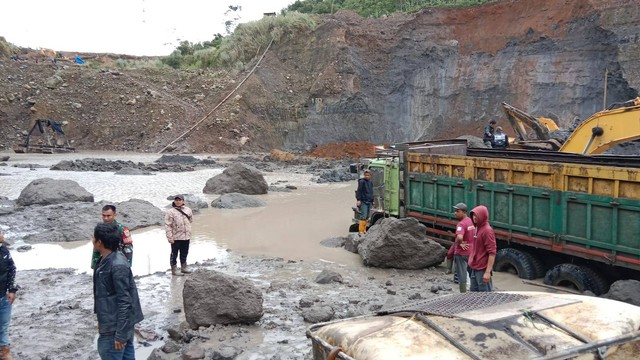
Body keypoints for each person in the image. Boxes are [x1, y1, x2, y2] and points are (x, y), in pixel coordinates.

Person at [92, 222, 143, 360]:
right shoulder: (105, 260)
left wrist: (120, 334)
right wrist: (102, 321)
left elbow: (125, 300)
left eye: (94, 238)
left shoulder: (117, 265)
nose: (92, 241)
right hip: (114, 323)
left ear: (100, 242)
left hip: (116, 328)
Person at [91, 205, 133, 270]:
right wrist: (94, 265)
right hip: (103, 261)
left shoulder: (122, 229)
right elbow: (96, 247)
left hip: (118, 261)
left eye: (108, 216)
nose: (106, 218)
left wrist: (127, 266)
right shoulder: (99, 229)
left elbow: (128, 249)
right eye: (103, 215)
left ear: (115, 215)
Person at [468, 205, 497, 292]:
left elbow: (492, 253)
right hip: (474, 267)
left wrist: (487, 272)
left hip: (482, 269)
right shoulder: (477, 228)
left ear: (482, 216)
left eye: (477, 215)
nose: (474, 218)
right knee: (474, 294)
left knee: (485, 296)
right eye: (473, 215)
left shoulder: (487, 231)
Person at [165, 195, 194, 276]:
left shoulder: (188, 210)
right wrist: (170, 237)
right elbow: (168, 225)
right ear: (174, 201)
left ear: (183, 201)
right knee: (174, 253)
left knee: (184, 252)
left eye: (180, 200)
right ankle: (174, 269)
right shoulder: (170, 212)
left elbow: (191, 220)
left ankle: (184, 267)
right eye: (176, 200)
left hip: (186, 236)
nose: (178, 201)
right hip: (176, 237)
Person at [0, 231, 17, 360]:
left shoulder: (4, 251)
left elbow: (12, 268)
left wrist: (12, 290)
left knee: (4, 326)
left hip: (4, 297)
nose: (2, 234)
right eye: (0, 232)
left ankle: (5, 351)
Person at [452, 203, 475, 293]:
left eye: (458, 211)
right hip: (471, 251)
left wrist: (460, 243)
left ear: (464, 212)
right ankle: (473, 291)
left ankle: (463, 294)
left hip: (461, 253)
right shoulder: (471, 221)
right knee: (472, 272)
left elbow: (460, 237)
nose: (455, 213)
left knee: (462, 275)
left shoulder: (461, 224)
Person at [355, 170, 374, 236]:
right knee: (363, 216)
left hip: (369, 201)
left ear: (370, 176)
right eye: (365, 175)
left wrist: (372, 201)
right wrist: (358, 200)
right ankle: (360, 231)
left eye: (368, 175)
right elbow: (359, 191)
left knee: (367, 217)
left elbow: (371, 192)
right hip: (363, 201)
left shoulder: (370, 182)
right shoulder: (362, 182)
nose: (366, 176)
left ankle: (364, 230)